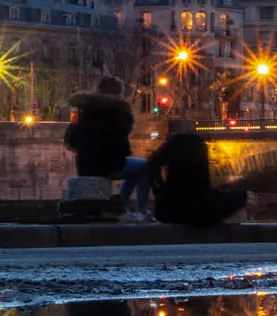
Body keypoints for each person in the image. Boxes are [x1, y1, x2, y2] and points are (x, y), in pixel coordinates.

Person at [64, 76, 148, 216]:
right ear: (118, 93)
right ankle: (141, 210)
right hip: (108, 165)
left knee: (135, 170)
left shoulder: (84, 110)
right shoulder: (120, 112)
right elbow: (122, 143)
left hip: (84, 165)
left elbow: (70, 140)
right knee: (144, 166)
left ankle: (122, 208)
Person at [146, 122, 249, 228]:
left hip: (170, 213)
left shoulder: (165, 207)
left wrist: (159, 190)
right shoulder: (206, 203)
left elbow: (153, 162)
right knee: (242, 203)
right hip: (202, 216)